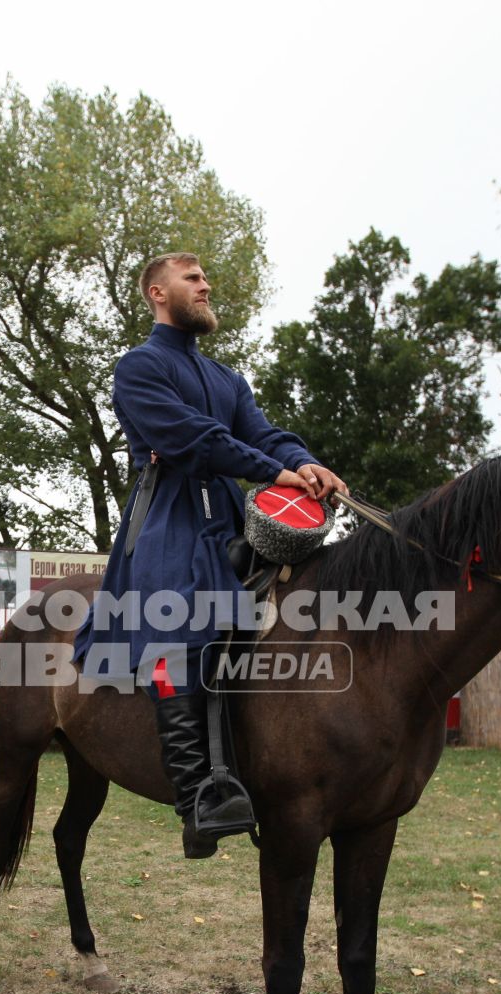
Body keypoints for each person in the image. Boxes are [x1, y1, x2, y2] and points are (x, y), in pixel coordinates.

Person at [75, 253, 347, 859]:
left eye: (204, 279)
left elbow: (260, 431)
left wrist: (301, 462)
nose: (204, 286)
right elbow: (195, 440)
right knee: (179, 630)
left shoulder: (228, 380)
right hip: (167, 521)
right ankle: (200, 796)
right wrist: (273, 470)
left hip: (230, 519)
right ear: (157, 292)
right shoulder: (138, 367)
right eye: (191, 279)